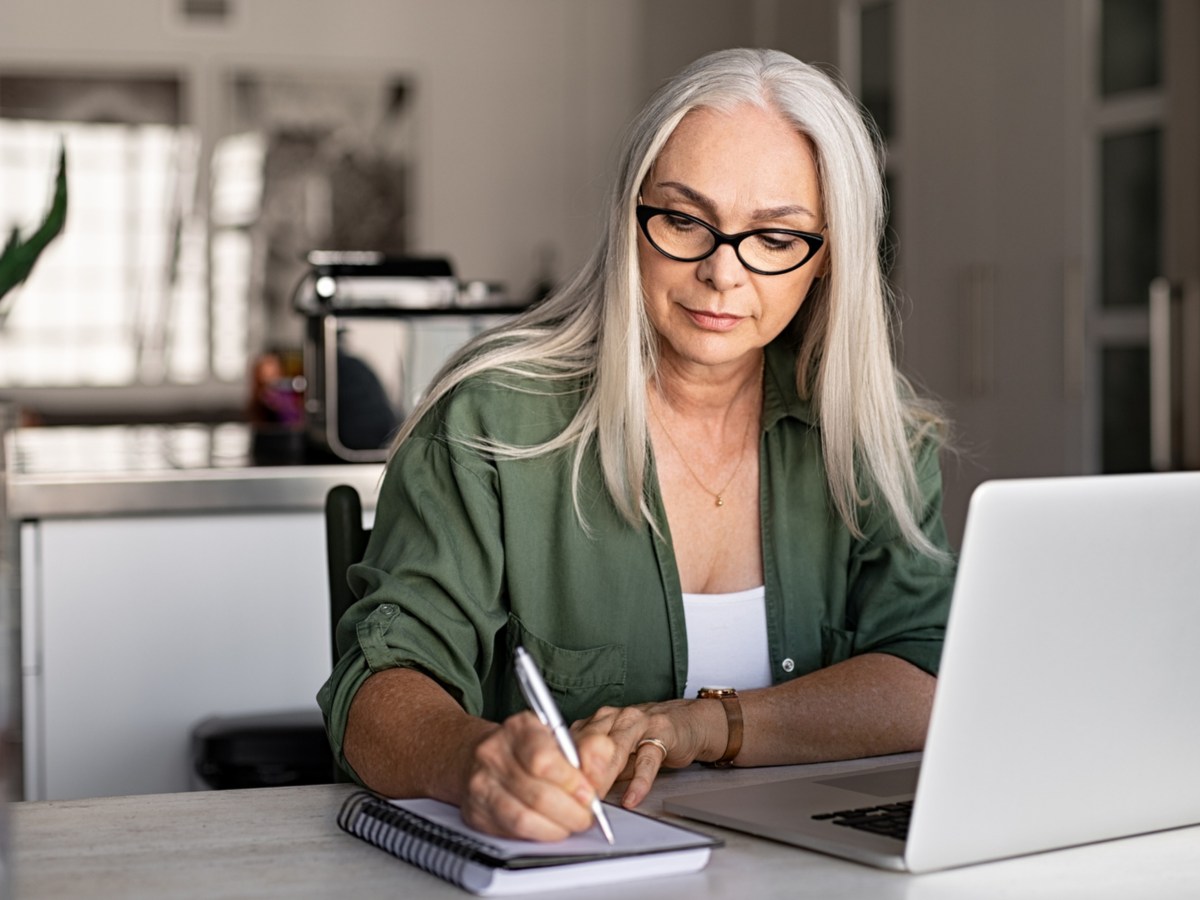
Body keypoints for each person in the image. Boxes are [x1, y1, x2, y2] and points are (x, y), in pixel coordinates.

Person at [318, 47, 955, 842]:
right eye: (685, 220)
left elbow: (927, 676)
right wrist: (471, 760)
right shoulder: (490, 417)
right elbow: (377, 688)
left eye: (775, 236)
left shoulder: (875, 432)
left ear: (827, 259)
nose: (723, 273)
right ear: (631, 218)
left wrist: (702, 726)